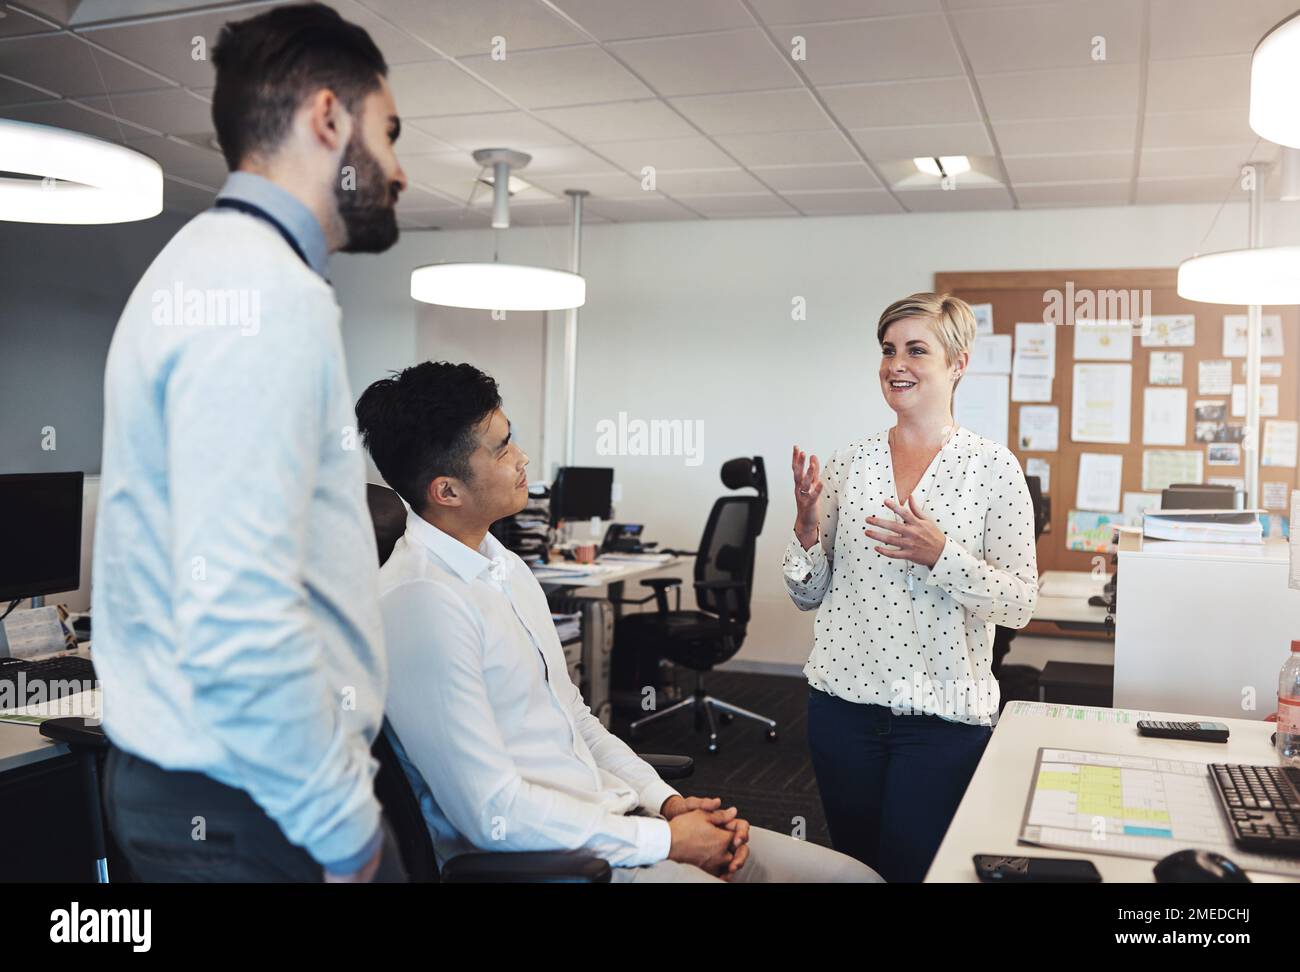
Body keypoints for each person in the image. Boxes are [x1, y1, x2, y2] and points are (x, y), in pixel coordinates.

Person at [93, 2, 409, 882]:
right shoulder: (260, 293)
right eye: (389, 132)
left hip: (224, 787)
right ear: (327, 118)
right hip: (251, 799)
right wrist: (346, 828)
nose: (401, 169)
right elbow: (237, 612)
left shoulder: (210, 265)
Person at [355, 362, 882, 883]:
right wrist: (668, 841)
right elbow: (493, 813)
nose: (523, 459)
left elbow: (577, 721)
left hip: (617, 823)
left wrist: (668, 804)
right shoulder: (421, 604)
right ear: (447, 491)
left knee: (851, 878)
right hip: (547, 863)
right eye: (502, 448)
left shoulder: (502, 565)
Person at [784, 293, 1038, 883]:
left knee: (914, 868)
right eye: (888, 350)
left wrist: (942, 556)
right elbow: (807, 594)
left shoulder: (993, 469)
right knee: (855, 868)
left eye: (915, 350)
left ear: (957, 364)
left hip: (943, 718)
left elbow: (1020, 603)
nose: (895, 363)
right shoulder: (851, 461)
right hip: (842, 706)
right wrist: (804, 526)